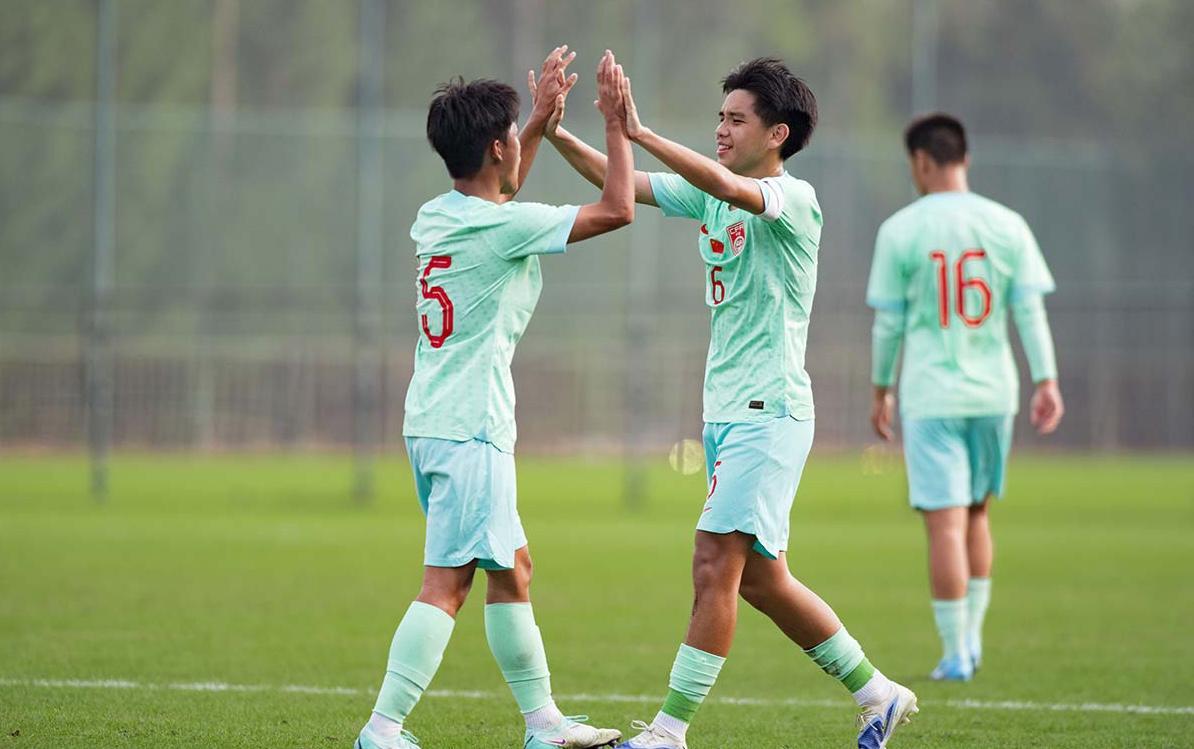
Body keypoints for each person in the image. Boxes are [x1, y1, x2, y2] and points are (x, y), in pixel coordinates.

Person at [546, 57, 917, 749]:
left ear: (778, 134)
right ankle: (879, 693)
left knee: (714, 563)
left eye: (736, 120)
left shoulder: (792, 198)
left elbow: (723, 183)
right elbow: (621, 181)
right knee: (763, 581)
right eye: (719, 117)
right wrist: (555, 131)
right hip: (727, 414)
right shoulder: (711, 194)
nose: (721, 129)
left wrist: (639, 129)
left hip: (768, 412)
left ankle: (668, 732)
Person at [355, 48, 635, 749]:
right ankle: (382, 728)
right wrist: (616, 127)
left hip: (434, 420)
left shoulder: (438, 216)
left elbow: (500, 200)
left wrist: (533, 122)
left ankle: (544, 723)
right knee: (447, 584)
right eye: (511, 134)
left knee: (513, 569)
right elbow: (618, 208)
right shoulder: (502, 225)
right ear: (495, 148)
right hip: (469, 427)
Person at [866, 113, 1064, 682]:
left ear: (921, 161)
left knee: (945, 525)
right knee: (977, 513)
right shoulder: (1007, 223)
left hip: (932, 394)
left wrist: (881, 390)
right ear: (965, 159)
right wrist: (1046, 380)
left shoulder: (901, 229)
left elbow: (889, 324)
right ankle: (972, 639)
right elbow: (1029, 310)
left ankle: (955, 652)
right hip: (994, 391)